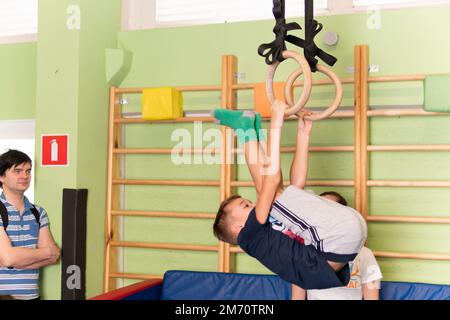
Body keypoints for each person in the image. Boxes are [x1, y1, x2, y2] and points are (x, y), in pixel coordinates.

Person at [212, 103, 367, 290]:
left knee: (275, 194)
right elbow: (270, 182)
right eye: (246, 206)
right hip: (337, 242)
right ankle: (246, 129)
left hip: (345, 242)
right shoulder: (250, 238)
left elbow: (295, 187)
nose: (253, 204)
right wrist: (276, 126)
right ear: (239, 228)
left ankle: (252, 129)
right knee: (269, 193)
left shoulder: (267, 233)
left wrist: (303, 135)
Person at [0, 150, 60, 300]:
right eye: (18, 171)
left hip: (32, 296)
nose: (25, 176)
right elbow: (8, 258)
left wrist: (15, 261)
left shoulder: (38, 212)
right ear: (1, 176)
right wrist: (45, 252)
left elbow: (54, 256)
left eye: (28, 171)